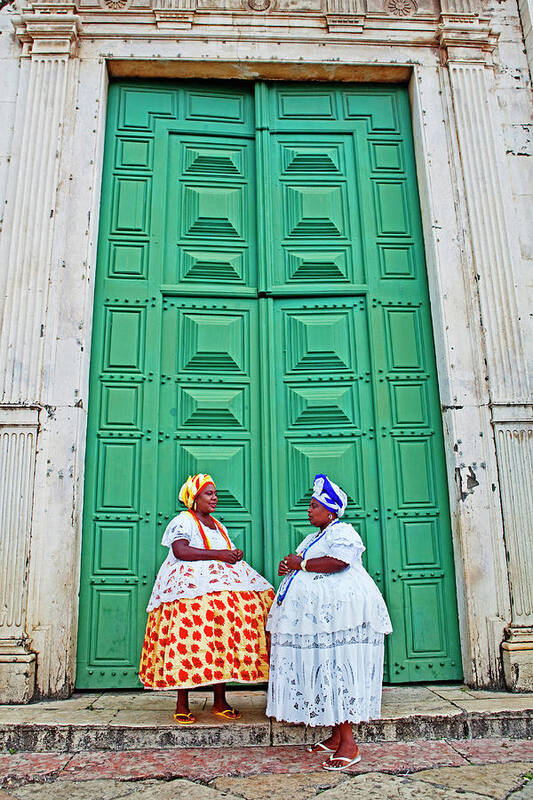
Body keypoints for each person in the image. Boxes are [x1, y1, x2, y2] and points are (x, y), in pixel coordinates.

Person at [266, 473, 392, 771]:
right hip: (320, 620)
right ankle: (337, 736)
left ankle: (349, 745)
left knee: (338, 670)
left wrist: (303, 564)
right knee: (326, 669)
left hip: (341, 617)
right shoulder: (312, 537)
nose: (308, 510)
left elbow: (340, 562)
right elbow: (301, 563)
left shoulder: (343, 532)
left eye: (314, 505)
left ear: (330, 511)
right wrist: (291, 565)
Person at [139, 473, 275, 724]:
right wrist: (219, 554)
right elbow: (181, 551)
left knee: (220, 637)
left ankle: (220, 700)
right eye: (208, 494)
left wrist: (232, 554)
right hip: (189, 591)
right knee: (189, 640)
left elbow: (221, 551)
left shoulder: (216, 524)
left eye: (214, 493)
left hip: (217, 589)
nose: (214, 497)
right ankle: (182, 703)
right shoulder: (183, 521)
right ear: (194, 498)